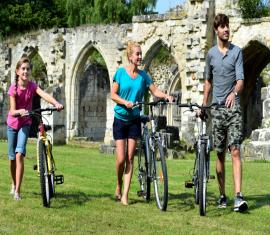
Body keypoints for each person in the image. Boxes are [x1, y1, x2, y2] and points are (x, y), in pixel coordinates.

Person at [111, 41, 174, 205]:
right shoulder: (120, 73)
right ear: (130, 56)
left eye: (140, 54)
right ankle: (118, 184)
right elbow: (113, 94)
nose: (140, 56)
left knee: (130, 157)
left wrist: (165, 95)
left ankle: (125, 194)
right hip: (120, 119)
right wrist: (125, 102)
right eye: (137, 54)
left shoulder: (143, 76)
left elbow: (155, 91)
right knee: (121, 159)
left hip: (134, 120)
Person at [203, 13, 248, 212]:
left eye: (228, 26)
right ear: (216, 30)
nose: (226, 29)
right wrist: (204, 105)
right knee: (219, 154)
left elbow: (241, 81)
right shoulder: (211, 55)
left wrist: (233, 93)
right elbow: (208, 82)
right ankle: (222, 194)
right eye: (222, 27)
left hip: (234, 108)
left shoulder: (237, 52)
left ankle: (238, 196)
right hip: (217, 110)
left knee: (235, 150)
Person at [7, 56, 63, 200]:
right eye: (23, 69)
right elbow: (12, 111)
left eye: (28, 69)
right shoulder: (13, 88)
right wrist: (19, 111)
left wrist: (56, 103)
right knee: (12, 158)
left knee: (20, 155)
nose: (26, 71)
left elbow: (44, 94)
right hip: (12, 124)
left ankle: (18, 191)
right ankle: (13, 183)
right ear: (18, 71)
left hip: (25, 124)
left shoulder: (32, 86)